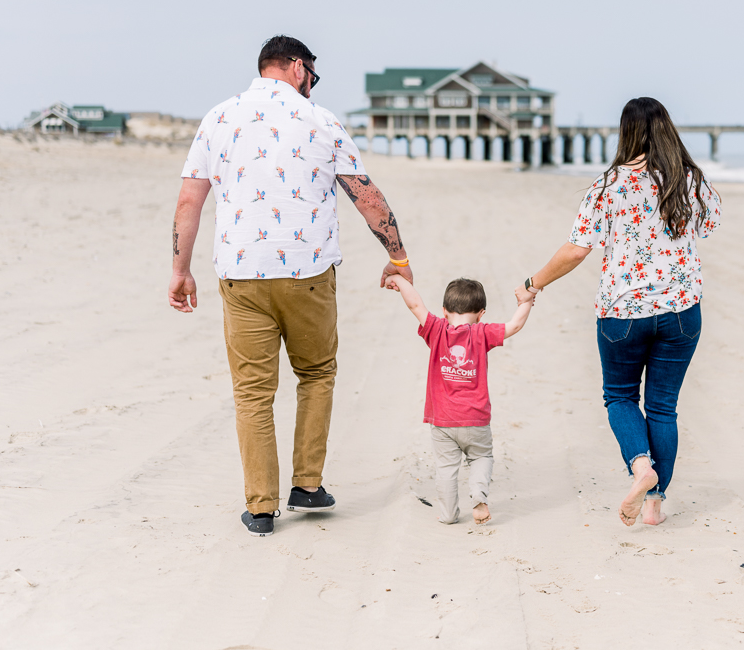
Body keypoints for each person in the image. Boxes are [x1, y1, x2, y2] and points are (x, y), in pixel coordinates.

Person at [168, 35, 413, 538]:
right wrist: (398, 257)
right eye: (313, 77)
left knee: (253, 394)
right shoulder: (321, 120)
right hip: (308, 273)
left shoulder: (218, 118)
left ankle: (260, 509)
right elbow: (366, 197)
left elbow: (189, 202)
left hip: (241, 274)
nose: (312, 87)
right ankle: (307, 485)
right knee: (317, 373)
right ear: (297, 68)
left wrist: (180, 269)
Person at [517, 97, 721, 527]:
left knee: (621, 397)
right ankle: (654, 505)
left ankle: (640, 467)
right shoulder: (688, 179)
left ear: (626, 132)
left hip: (622, 313)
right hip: (682, 310)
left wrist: (533, 285)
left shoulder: (608, 185)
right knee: (663, 406)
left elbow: (576, 251)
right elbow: (710, 224)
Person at [385, 276, 534, 525]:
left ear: (444, 311)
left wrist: (400, 280)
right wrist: (527, 301)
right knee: (481, 457)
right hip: (475, 419)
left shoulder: (436, 328)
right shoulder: (482, 332)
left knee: (445, 469)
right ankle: (478, 495)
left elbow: (415, 305)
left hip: (442, 421)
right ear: (481, 314)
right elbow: (514, 326)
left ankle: (448, 515)